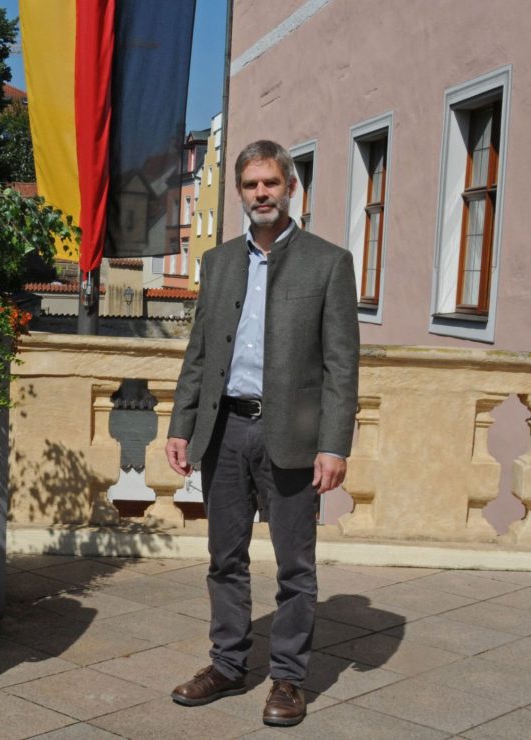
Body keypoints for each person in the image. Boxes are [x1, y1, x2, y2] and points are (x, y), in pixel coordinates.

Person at [165, 140, 359, 727]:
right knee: (224, 558)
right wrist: (181, 424)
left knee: (295, 567)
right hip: (224, 431)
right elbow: (199, 352)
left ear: (290, 188)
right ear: (241, 193)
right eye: (250, 185)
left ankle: (288, 679)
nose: (261, 194)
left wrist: (334, 443)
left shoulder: (327, 262)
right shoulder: (220, 262)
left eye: (271, 183)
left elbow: (341, 364)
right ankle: (227, 664)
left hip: (293, 440)